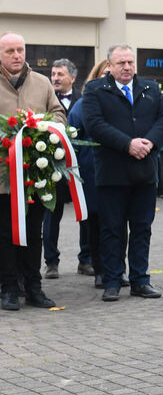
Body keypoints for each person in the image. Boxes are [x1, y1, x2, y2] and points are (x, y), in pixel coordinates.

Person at [81, 43, 163, 302]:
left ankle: (140, 280)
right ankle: (112, 281)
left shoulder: (150, 88)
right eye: (121, 63)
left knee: (142, 228)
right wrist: (127, 144)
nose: (127, 67)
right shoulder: (95, 89)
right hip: (112, 173)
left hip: (144, 172)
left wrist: (150, 142)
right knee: (112, 229)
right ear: (109, 66)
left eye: (130, 62)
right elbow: (95, 124)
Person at [0, 32, 65, 310]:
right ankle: (9, 289)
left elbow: (59, 114)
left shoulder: (42, 82)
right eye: (10, 51)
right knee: (4, 234)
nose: (17, 55)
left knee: (33, 233)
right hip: (3, 178)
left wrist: (45, 128)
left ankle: (34, 287)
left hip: (34, 177)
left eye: (21, 50)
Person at [68, 60, 117, 290]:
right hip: (91, 172)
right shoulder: (81, 106)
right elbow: (73, 139)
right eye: (105, 74)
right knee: (96, 224)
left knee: (118, 224)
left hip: (118, 171)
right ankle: (99, 270)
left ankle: (118, 268)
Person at [43, 58, 91, 280]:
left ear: (73, 77)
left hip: (81, 169)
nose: (55, 78)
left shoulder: (85, 101)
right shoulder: (45, 100)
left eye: (60, 74)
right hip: (53, 168)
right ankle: (51, 262)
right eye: (53, 74)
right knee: (51, 216)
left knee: (86, 215)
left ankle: (86, 259)